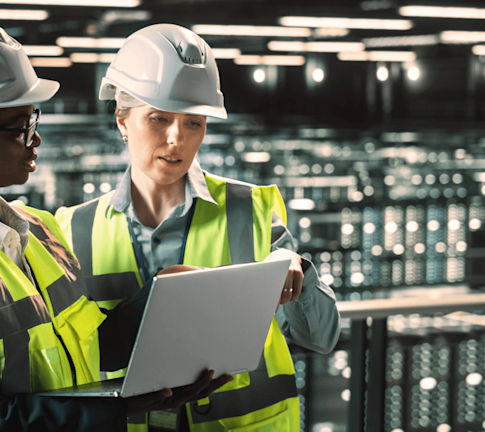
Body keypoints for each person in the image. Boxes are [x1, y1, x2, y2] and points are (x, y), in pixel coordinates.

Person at [0, 21, 231, 432]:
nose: (35, 139)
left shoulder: (39, 230)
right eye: (20, 127)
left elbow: (85, 343)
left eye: (34, 120)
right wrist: (119, 410)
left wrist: (161, 295)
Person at [56, 24, 341, 432]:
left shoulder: (252, 211)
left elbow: (322, 337)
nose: (177, 138)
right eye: (159, 118)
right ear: (122, 120)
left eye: (194, 122)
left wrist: (297, 272)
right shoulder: (71, 230)